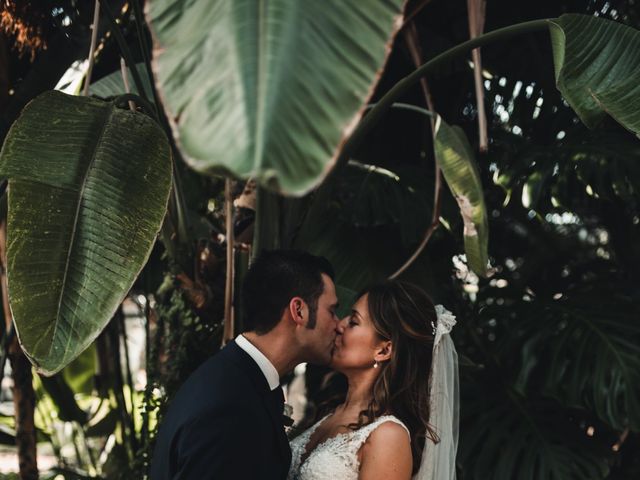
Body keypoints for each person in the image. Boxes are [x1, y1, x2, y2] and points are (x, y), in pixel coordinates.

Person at [150, 250, 340, 480]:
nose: (338, 325)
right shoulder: (228, 407)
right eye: (332, 311)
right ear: (299, 310)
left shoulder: (234, 379)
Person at [288, 280, 459, 480]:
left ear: (384, 350)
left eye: (353, 321)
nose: (339, 325)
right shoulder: (328, 412)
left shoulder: (388, 436)